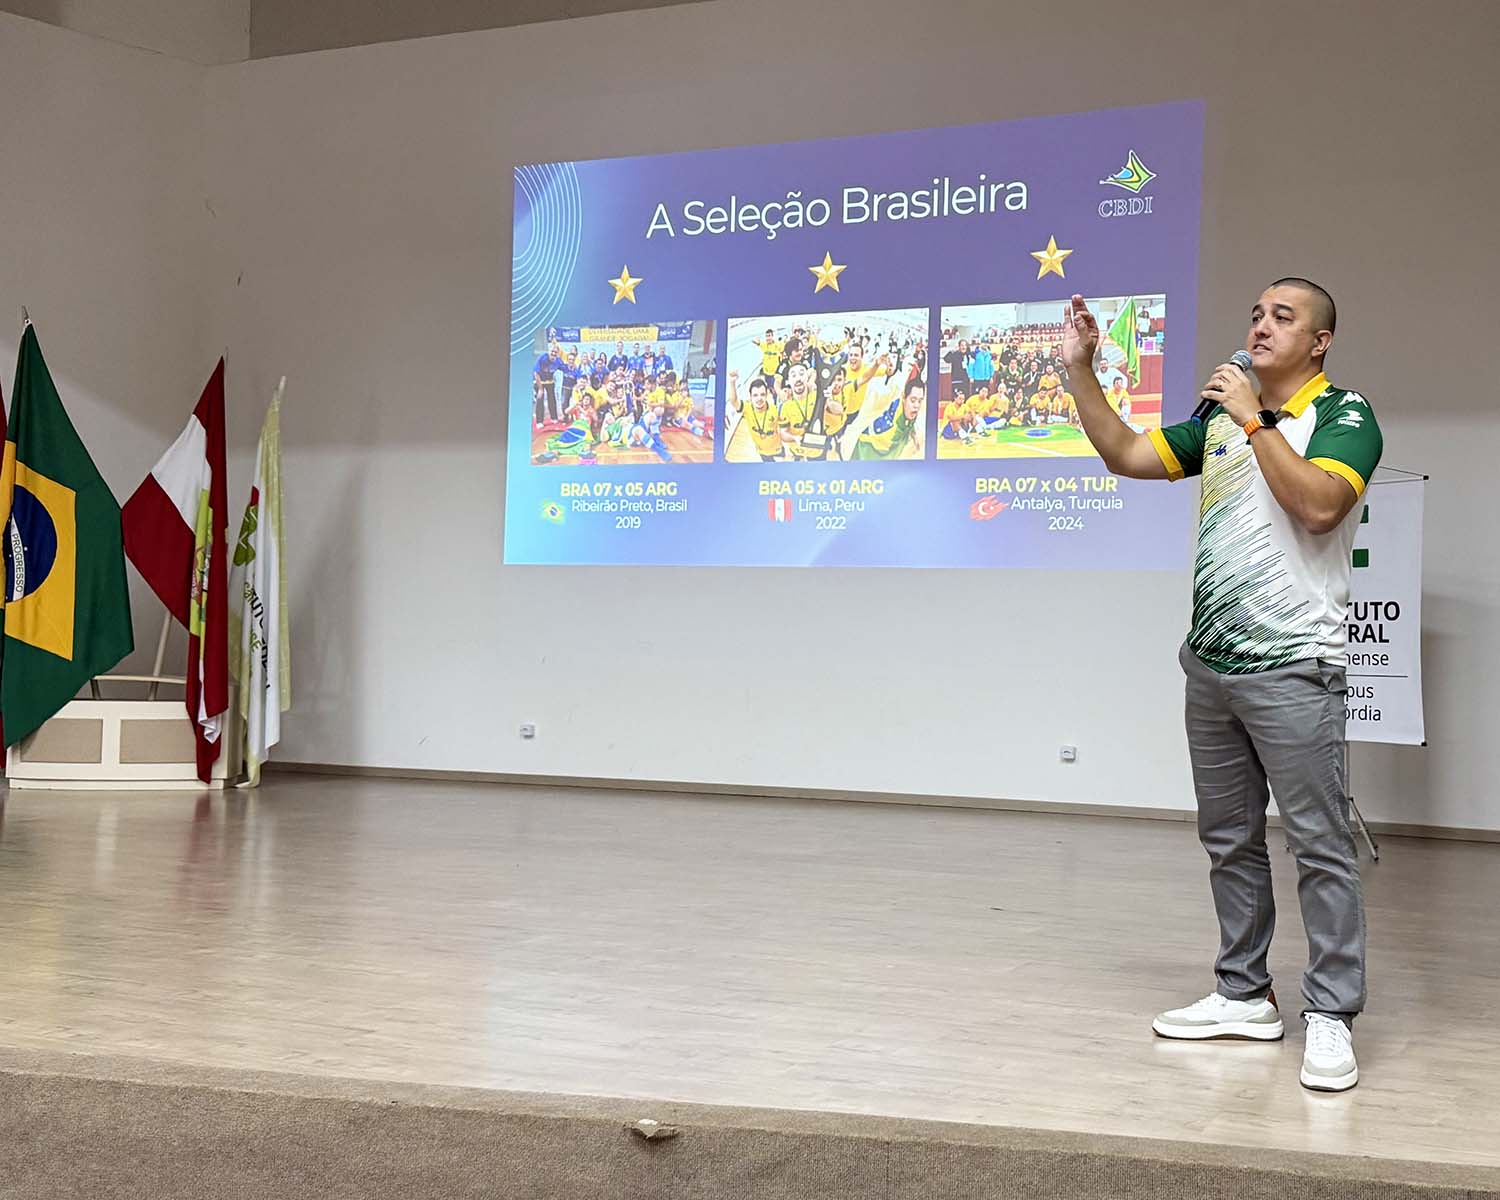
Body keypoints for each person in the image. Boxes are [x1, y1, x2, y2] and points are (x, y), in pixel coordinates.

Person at [1062, 279, 1382, 1094]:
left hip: (1295, 666)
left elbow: (1319, 507)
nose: (1261, 325)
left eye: (1284, 316)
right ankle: (1245, 994)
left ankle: (1333, 1015)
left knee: (1320, 847)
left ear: (1320, 342)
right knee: (1228, 840)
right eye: (1256, 313)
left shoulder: (1344, 415)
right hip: (1210, 666)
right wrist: (1081, 373)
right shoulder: (1219, 422)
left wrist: (1253, 418)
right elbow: (1129, 456)